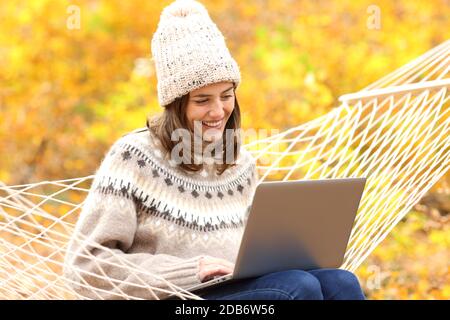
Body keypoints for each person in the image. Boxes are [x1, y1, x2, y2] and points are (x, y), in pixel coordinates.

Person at [63, 0, 366, 300]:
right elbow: (86, 267)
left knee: (341, 282)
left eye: (226, 95)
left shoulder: (240, 163)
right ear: (176, 104)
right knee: (300, 287)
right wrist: (191, 271)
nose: (218, 111)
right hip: (177, 299)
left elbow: (254, 255)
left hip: (237, 292)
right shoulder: (133, 157)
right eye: (202, 100)